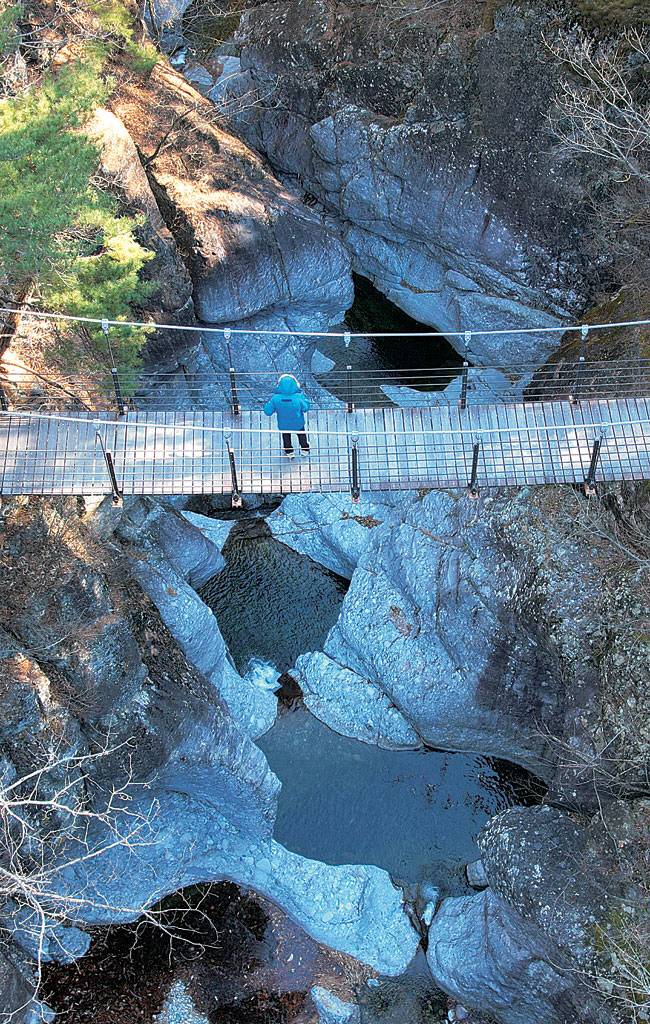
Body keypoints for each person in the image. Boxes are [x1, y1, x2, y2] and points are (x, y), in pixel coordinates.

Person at [263, 374, 311, 458]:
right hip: (298, 422)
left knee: (286, 437)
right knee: (301, 435)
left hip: (283, 424)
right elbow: (306, 408)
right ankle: (305, 449)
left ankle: (289, 452)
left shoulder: (275, 398)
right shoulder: (298, 397)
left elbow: (268, 412)